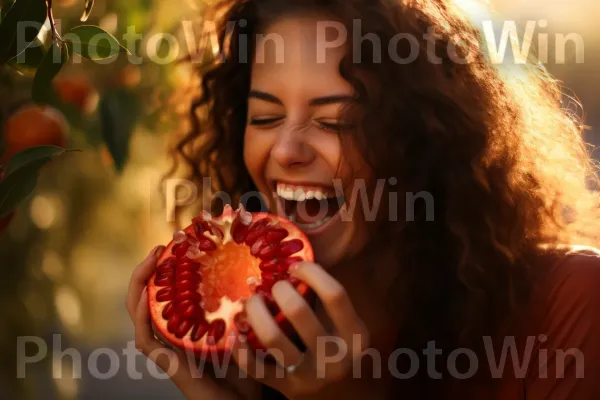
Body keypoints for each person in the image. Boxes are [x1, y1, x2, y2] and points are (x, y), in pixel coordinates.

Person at [126, 0, 600, 398]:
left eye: (337, 122)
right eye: (266, 118)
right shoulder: (259, 356)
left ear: (425, 139)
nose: (287, 151)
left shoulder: (568, 308)